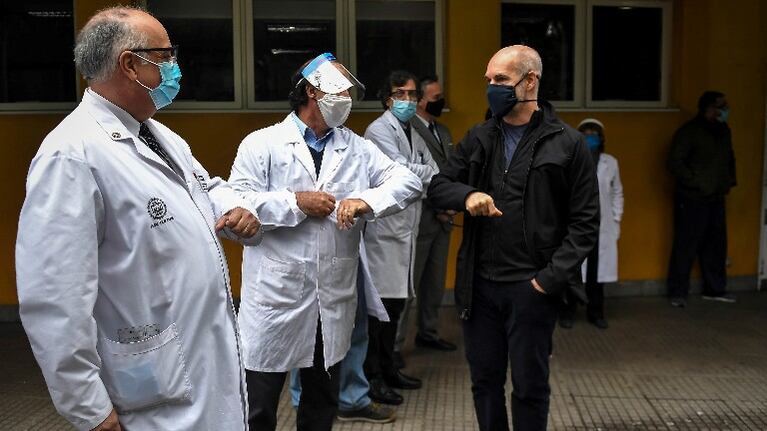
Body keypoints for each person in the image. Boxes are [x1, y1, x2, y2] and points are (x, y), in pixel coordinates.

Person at [15, 7, 262, 431]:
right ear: (130, 64)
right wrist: (90, 410)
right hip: (151, 391)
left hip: (201, 371)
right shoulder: (71, 155)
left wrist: (235, 209)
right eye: (165, 56)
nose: (175, 67)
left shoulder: (159, 134)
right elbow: (54, 299)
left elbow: (204, 187)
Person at [228, 53, 421, 431]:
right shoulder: (263, 143)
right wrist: (295, 202)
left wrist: (367, 200)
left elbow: (407, 181)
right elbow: (236, 202)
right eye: (341, 90)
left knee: (321, 402)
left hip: (331, 297)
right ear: (312, 91)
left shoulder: (357, 147)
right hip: (275, 296)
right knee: (258, 403)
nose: (348, 98)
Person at [427, 45, 599, 431]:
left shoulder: (567, 144)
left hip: (531, 288)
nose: (492, 88)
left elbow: (585, 224)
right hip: (481, 287)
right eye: (489, 81)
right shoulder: (481, 136)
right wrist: (466, 195)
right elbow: (439, 187)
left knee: (530, 386)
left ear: (530, 81)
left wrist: (547, 281)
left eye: (501, 80)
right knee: (484, 383)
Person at [362, 70, 437, 404]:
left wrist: (415, 173)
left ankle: (389, 367)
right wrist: (417, 173)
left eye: (411, 94)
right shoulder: (378, 130)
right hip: (384, 234)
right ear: (386, 97)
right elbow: (401, 173)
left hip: (405, 230)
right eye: (399, 94)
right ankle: (373, 376)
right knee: (379, 312)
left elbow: (431, 168)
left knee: (395, 306)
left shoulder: (412, 130)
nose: (406, 100)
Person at [395, 75, 457, 360]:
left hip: (443, 219)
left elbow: (447, 171)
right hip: (422, 218)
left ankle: (428, 332)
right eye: (435, 98)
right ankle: (395, 345)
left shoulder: (442, 130)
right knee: (409, 284)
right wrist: (441, 204)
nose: (441, 102)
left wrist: (452, 202)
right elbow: (410, 177)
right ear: (419, 100)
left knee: (434, 281)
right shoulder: (410, 130)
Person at [667, 91, 737, 307]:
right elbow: (675, 162)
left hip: (716, 195)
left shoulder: (723, 130)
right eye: (721, 105)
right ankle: (678, 292)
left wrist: (729, 180)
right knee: (686, 244)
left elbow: (729, 157)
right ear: (708, 107)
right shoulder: (690, 132)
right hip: (692, 197)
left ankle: (715, 289)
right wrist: (695, 182)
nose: (725, 109)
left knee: (716, 245)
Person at [559, 118, 623, 329]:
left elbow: (616, 193)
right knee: (572, 268)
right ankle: (568, 311)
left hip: (601, 227)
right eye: (585, 134)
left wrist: (616, 218)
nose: (590, 139)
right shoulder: (569, 160)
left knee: (596, 272)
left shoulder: (610, 162)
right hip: (576, 225)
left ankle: (596, 312)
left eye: (594, 135)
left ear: (601, 138)